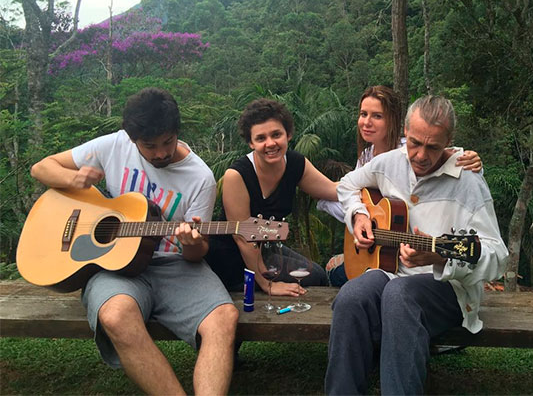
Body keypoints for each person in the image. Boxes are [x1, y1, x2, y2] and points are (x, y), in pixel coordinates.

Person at [30, 88, 237, 395]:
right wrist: (73, 179)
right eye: (149, 146)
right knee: (115, 315)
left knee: (223, 318)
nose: (160, 153)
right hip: (114, 267)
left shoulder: (201, 178)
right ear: (132, 139)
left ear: (177, 132)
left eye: (167, 142)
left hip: (175, 265)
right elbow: (41, 167)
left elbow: (196, 254)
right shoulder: (113, 145)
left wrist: (192, 244)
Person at [325, 95, 508, 395]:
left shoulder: (469, 181)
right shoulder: (388, 163)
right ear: (404, 134)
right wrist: (357, 214)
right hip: (389, 272)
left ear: (449, 141)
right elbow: (346, 185)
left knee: (400, 294)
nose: (421, 155)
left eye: (433, 147)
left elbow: (497, 255)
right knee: (351, 296)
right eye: (414, 143)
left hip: (448, 289)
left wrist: (439, 257)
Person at [318, 85, 483, 286]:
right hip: (382, 254)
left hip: (412, 265)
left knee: (338, 276)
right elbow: (352, 190)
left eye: (377, 116)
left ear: (395, 121)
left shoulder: (409, 153)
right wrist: (358, 215)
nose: (367, 122)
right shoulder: (367, 156)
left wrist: (466, 158)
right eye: (363, 114)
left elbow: (441, 156)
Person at [205, 98, 336, 296]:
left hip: (266, 251)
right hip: (231, 258)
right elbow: (243, 238)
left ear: (288, 134)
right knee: (311, 279)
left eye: (276, 135)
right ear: (251, 143)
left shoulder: (295, 164)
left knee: (317, 275)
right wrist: (268, 285)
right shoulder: (238, 175)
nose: (270, 144)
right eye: (261, 138)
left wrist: (375, 177)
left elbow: (334, 190)